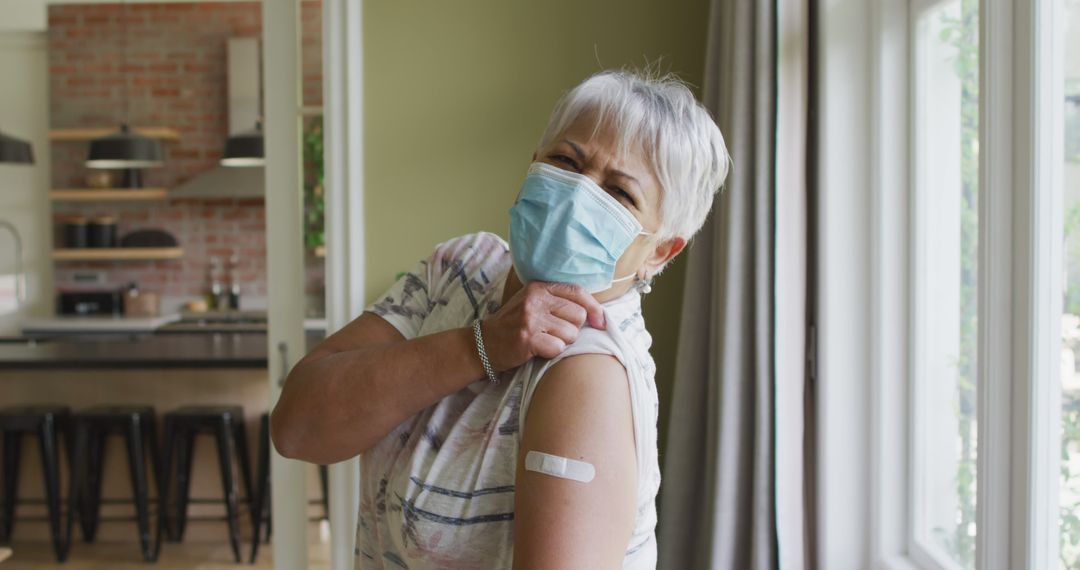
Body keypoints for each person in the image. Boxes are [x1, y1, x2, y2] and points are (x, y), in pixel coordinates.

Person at [270, 68, 730, 569]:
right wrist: (480, 346)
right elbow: (296, 426)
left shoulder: (590, 369)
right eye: (565, 160)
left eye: (619, 193)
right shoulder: (462, 267)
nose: (578, 194)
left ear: (660, 252)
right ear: (533, 164)